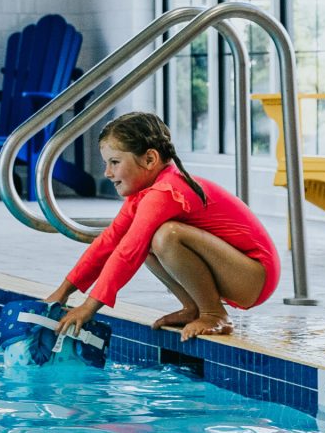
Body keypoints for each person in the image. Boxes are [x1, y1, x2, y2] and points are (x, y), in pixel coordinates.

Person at [45, 111, 280, 342]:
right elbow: (108, 242)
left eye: (114, 162)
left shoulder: (165, 192)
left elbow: (127, 253)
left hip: (254, 276)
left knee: (167, 236)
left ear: (150, 159)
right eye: (106, 163)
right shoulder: (144, 195)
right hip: (239, 272)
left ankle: (214, 314)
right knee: (148, 241)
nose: (107, 173)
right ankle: (193, 307)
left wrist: (89, 307)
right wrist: (62, 292)